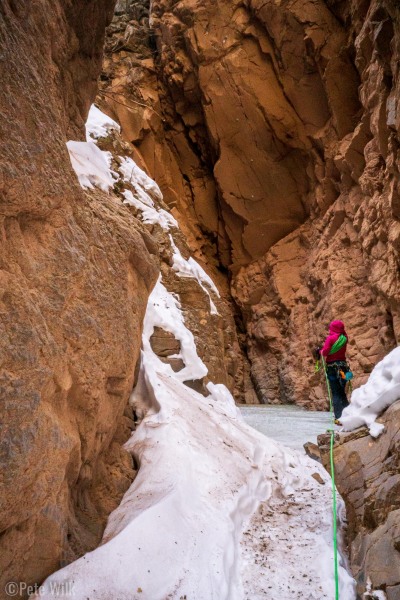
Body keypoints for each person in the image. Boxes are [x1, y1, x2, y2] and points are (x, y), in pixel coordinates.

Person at [320, 320, 351, 424]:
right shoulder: (344, 338)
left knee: (336, 393)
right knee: (342, 392)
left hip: (332, 368)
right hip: (343, 367)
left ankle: (338, 417)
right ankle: (349, 414)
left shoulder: (330, 338)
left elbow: (325, 352)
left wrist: (319, 351)